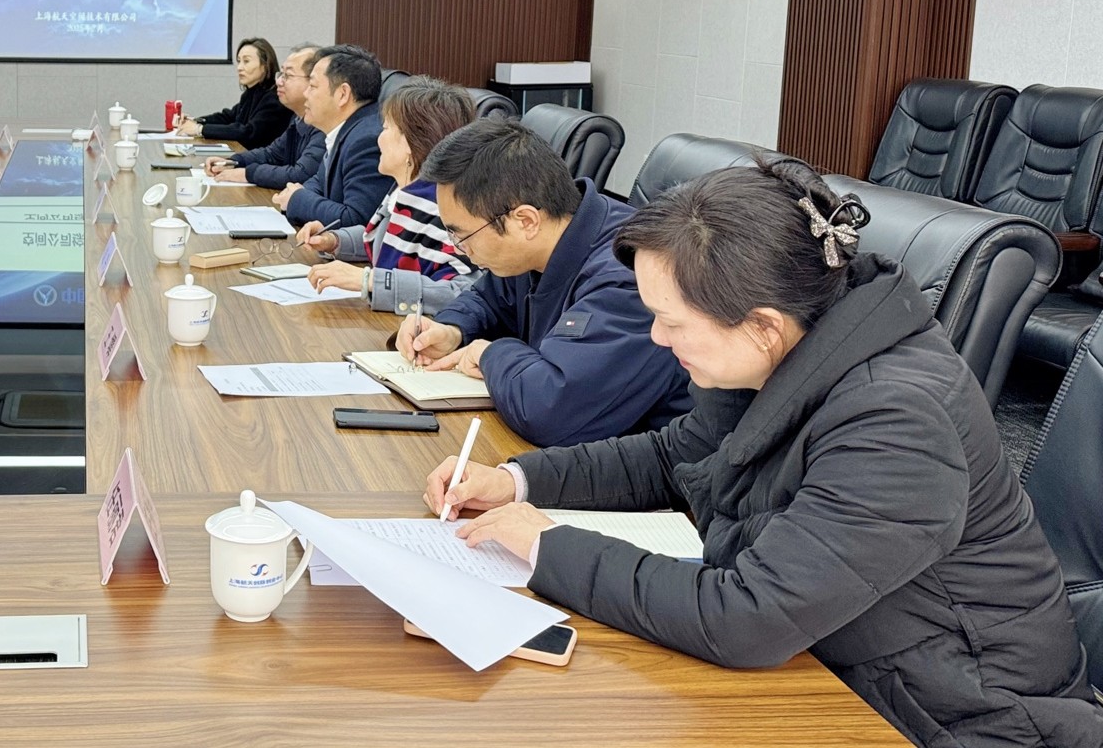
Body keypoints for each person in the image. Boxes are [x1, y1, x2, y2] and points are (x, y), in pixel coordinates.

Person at [426, 162, 1103, 747]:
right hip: (836, 666)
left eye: (671, 321)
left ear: (762, 326)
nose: (656, 338)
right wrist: (516, 481)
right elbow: (672, 457)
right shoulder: (785, 349)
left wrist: (548, 546)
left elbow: (746, 619)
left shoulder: (896, 420)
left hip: (953, 719)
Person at [396, 119, 690, 447]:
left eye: (462, 236)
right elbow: (488, 298)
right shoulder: (540, 245)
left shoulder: (629, 278)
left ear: (525, 220)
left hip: (654, 469)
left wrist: (490, 353)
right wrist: (452, 329)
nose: (458, 249)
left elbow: (551, 411)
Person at [298, 76, 477, 313]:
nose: (378, 138)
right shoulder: (408, 191)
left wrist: (369, 280)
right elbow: (392, 238)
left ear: (410, 144)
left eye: (385, 128)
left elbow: (462, 293)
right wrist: (335, 241)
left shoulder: (444, 209)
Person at [272, 44, 393, 229]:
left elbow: (357, 220)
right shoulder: (348, 129)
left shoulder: (368, 140)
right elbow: (319, 182)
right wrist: (299, 194)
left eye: (312, 86)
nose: (305, 94)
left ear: (342, 94)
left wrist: (296, 198)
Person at [204, 44, 326, 189]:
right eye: (281, 74)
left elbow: (300, 175)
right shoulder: (297, 118)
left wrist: (248, 174)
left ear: (313, 82)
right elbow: (271, 154)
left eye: (288, 75)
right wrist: (234, 161)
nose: (279, 82)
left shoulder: (323, 124)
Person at [177, 37, 288, 149]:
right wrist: (194, 121)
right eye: (239, 61)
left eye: (246, 61)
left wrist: (199, 129)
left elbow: (248, 132)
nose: (239, 68)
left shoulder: (274, 98)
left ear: (265, 65)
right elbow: (227, 117)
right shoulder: (250, 93)